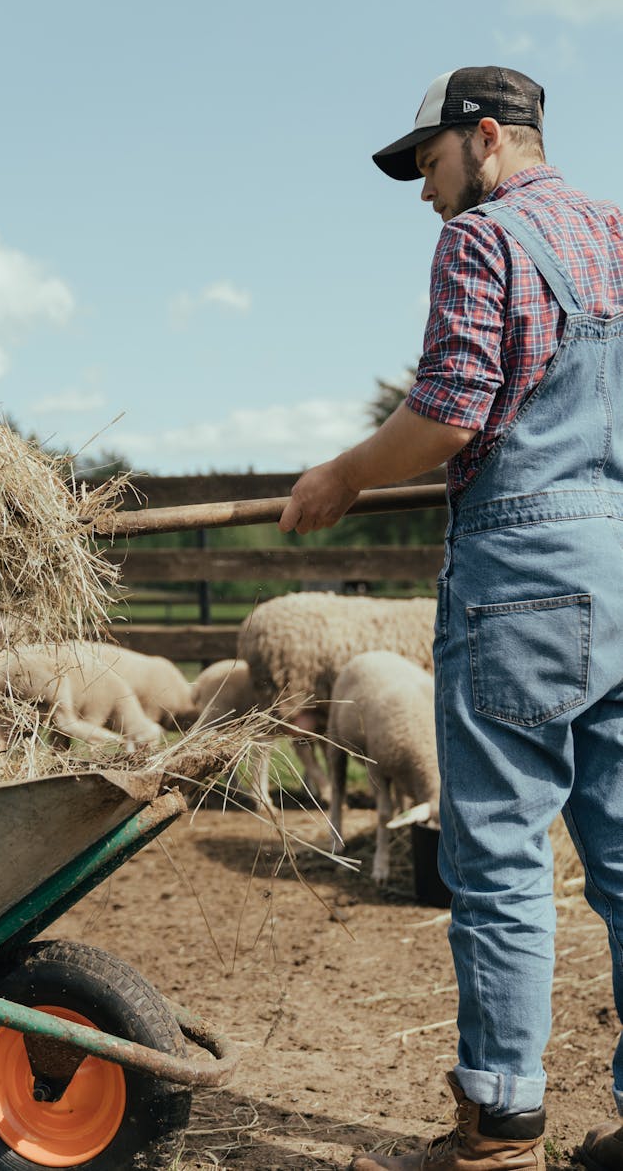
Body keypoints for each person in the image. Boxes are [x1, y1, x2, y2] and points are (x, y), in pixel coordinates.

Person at [279, 66, 623, 1171]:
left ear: (484, 139)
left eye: (427, 164)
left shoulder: (485, 241)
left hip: (524, 569)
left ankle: (500, 1130)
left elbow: (449, 411)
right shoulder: (615, 235)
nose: (426, 194)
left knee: (502, 856)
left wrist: (342, 474)